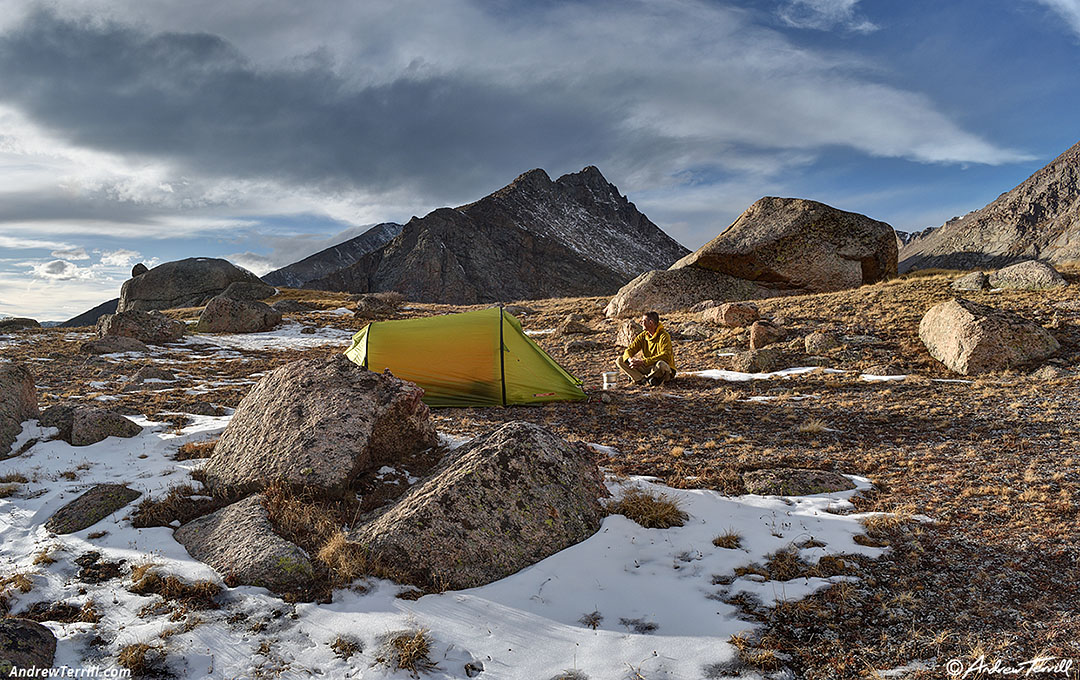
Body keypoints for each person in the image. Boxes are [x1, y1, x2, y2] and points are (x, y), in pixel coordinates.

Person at [616, 311, 676, 386]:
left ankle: (642, 377)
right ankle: (642, 379)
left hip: (659, 368)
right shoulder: (643, 336)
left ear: (650, 323)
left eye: (643, 321)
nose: (641, 323)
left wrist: (643, 362)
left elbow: (665, 356)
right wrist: (630, 359)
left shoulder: (664, 336)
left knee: (661, 365)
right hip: (648, 367)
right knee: (620, 360)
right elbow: (630, 349)